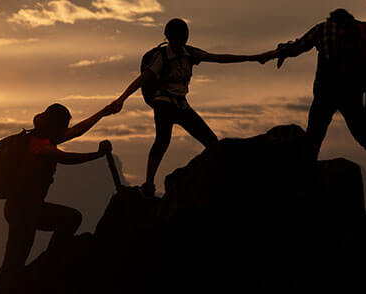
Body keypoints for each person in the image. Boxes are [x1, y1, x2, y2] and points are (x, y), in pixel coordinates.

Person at [106, 18, 275, 196]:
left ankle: (213, 178)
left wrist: (255, 58)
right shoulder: (161, 57)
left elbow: (219, 58)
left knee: (211, 141)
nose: (180, 41)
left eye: (183, 37)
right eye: (176, 37)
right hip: (163, 103)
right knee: (162, 141)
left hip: (181, 104)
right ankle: (149, 184)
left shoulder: (190, 54)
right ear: (168, 37)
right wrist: (121, 99)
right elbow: (143, 79)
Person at [264, 9, 366, 173]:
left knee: (314, 136)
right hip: (352, 93)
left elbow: (299, 46)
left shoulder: (322, 29)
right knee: (363, 136)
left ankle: (306, 178)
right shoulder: (361, 36)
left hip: (326, 92)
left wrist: (281, 51)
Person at [0, 103, 113, 294]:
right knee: (15, 260)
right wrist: (97, 155)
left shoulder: (45, 138)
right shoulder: (36, 144)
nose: (65, 130)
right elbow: (65, 158)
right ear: (54, 126)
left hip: (26, 208)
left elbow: (77, 131)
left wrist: (103, 112)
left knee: (69, 220)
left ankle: (48, 262)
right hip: (23, 210)